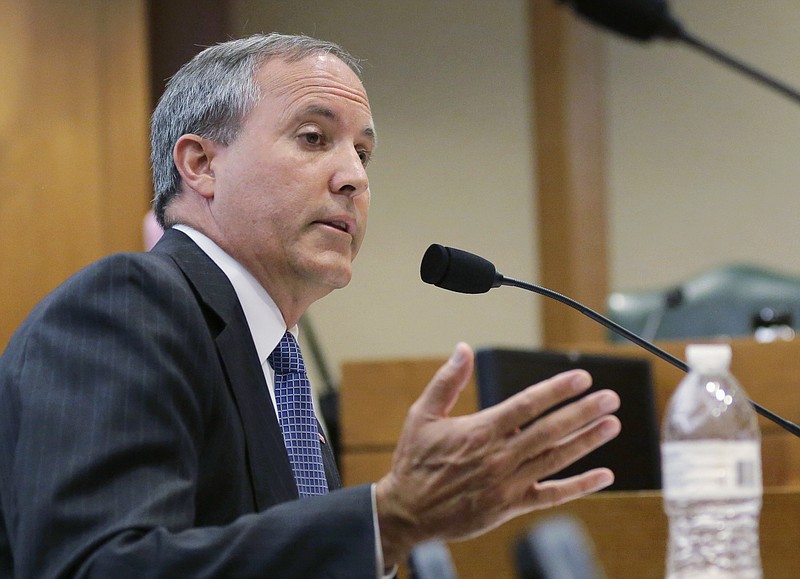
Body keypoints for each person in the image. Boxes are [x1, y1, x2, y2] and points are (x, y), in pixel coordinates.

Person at [0, 33, 621, 578]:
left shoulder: (275, 361)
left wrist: (382, 533)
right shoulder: (126, 307)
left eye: (363, 153)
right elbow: (99, 568)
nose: (354, 177)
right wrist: (385, 519)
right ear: (200, 164)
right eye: (314, 137)